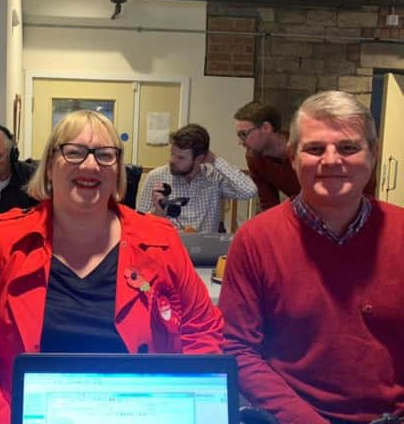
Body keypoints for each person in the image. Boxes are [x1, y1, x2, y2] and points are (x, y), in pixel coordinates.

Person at [0, 110, 224, 423]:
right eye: (73, 152)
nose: (90, 164)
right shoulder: (5, 239)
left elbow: (203, 333)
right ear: (48, 167)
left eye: (104, 154)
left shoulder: (161, 240)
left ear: (117, 172)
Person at [219, 91, 404, 424]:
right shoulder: (255, 241)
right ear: (292, 156)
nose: (331, 160)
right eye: (315, 149)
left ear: (374, 154)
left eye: (348, 148)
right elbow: (239, 349)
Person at [234, 101, 374, 211]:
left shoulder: (305, 148)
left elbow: (363, 189)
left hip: (338, 210)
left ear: (266, 128)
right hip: (304, 214)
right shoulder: (254, 158)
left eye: (244, 134)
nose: (240, 142)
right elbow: (269, 203)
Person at [136, 123, 257, 233]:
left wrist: (215, 160)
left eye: (180, 157)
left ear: (199, 159)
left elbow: (249, 191)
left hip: (205, 252)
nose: (172, 160)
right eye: (172, 154)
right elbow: (138, 224)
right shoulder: (156, 177)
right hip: (169, 250)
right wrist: (157, 213)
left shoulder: (214, 177)